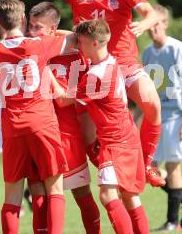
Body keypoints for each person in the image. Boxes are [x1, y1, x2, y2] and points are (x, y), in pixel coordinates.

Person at [5, 0, 164, 187]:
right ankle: (108, 172)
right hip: (89, 67)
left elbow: (151, 13)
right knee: (88, 133)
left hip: (122, 63)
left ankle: (145, 164)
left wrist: (143, 24)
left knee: (153, 104)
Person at [0, 0, 77, 234]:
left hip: (12, 127)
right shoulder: (39, 44)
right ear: (24, 19)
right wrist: (52, 31)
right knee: (54, 189)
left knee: (12, 198)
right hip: (41, 122)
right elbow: (77, 37)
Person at [54, 19, 149, 234]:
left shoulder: (95, 77)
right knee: (130, 196)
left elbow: (62, 99)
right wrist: (49, 33)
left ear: (95, 43)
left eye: (81, 42)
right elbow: (76, 36)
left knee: (108, 196)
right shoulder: (109, 61)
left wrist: (43, 69)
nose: (77, 45)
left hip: (116, 140)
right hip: (126, 134)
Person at [26, 2, 100, 233]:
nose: (31, 31)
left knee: (81, 193)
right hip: (37, 132)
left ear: (52, 29)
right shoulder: (31, 51)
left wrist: (60, 37)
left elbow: (65, 99)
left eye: (37, 27)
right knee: (38, 195)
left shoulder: (74, 56)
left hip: (66, 133)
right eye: (29, 25)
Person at [142, 4, 182, 231]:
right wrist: (137, 115)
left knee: (173, 168)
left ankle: (172, 221)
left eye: (156, 23)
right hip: (155, 118)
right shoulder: (147, 53)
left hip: (176, 116)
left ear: (165, 24)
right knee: (150, 171)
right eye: (149, 24)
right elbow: (147, 90)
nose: (152, 29)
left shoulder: (178, 49)